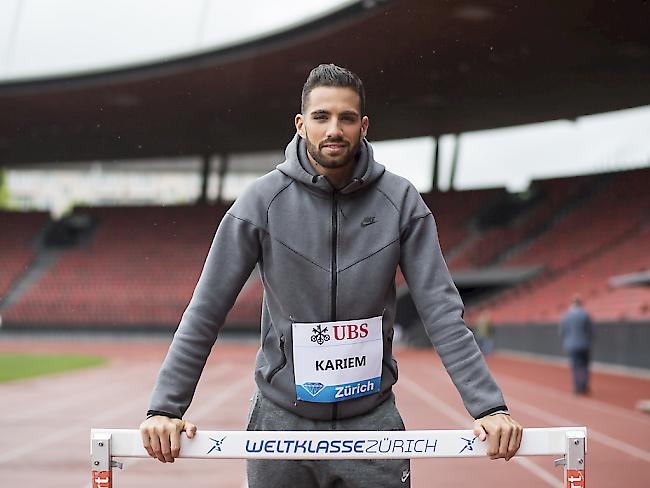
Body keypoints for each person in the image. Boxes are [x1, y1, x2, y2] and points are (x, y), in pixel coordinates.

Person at [139, 64, 522, 487]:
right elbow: (206, 310)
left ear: (364, 125)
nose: (333, 129)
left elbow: (442, 312)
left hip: (371, 423)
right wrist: (165, 409)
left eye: (346, 118)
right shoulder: (260, 202)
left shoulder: (401, 202)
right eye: (321, 117)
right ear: (301, 125)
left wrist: (489, 408)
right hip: (280, 422)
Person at [560, 295, 594, 395]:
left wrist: (567, 340)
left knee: (575, 367)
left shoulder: (566, 315)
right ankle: (584, 385)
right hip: (585, 345)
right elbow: (591, 331)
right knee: (585, 366)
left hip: (572, 345)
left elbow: (562, 331)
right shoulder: (585, 314)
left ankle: (577, 386)